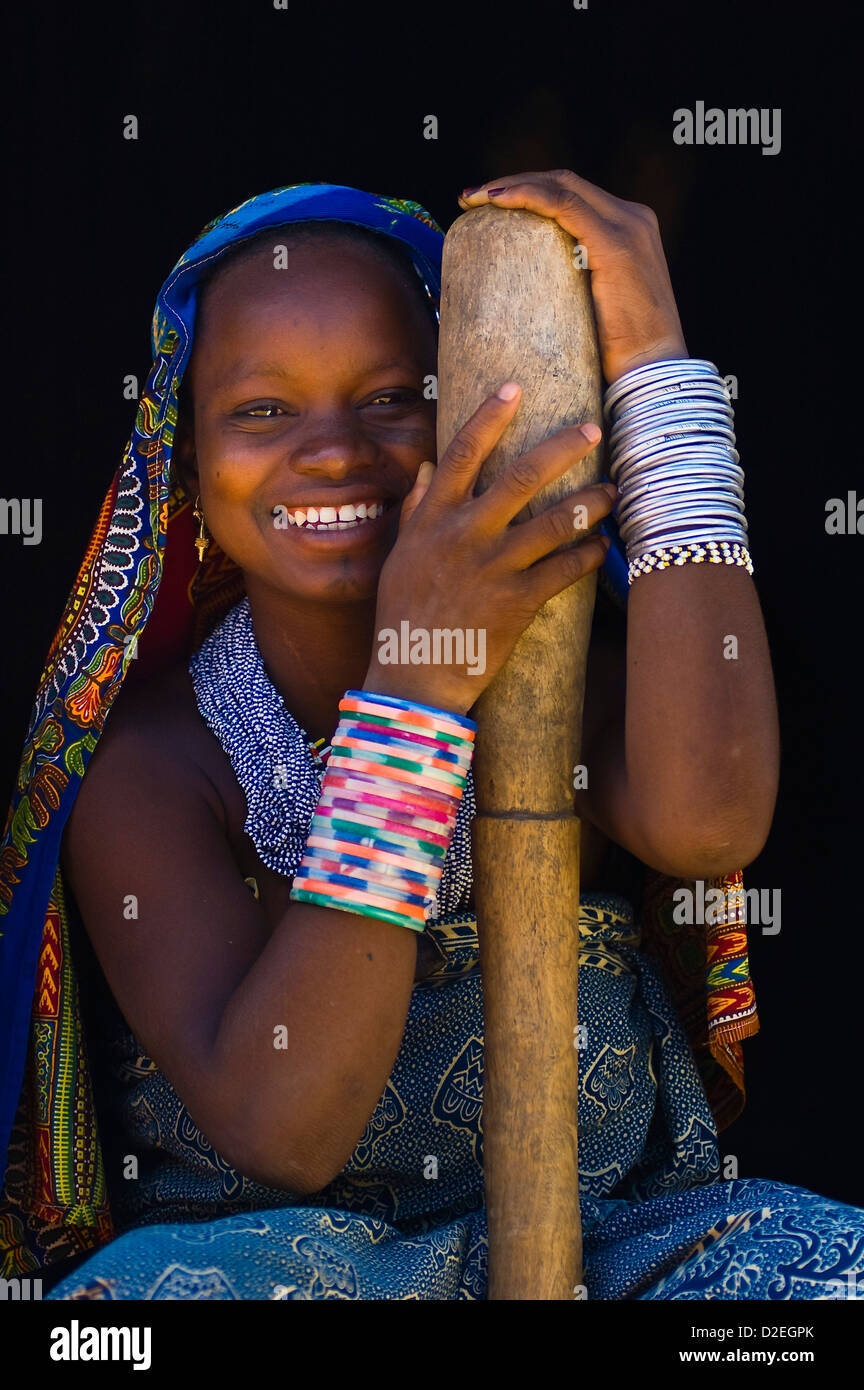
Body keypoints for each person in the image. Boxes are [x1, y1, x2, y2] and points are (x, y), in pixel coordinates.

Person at [1, 177, 861, 1301]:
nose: (333, 450)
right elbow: (286, 1126)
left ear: (462, 415)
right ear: (189, 472)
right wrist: (416, 686)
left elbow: (709, 825)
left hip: (611, 1250)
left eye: (393, 397)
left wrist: (656, 369)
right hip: (272, 1275)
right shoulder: (155, 768)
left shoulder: (556, 672)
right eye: (261, 411)